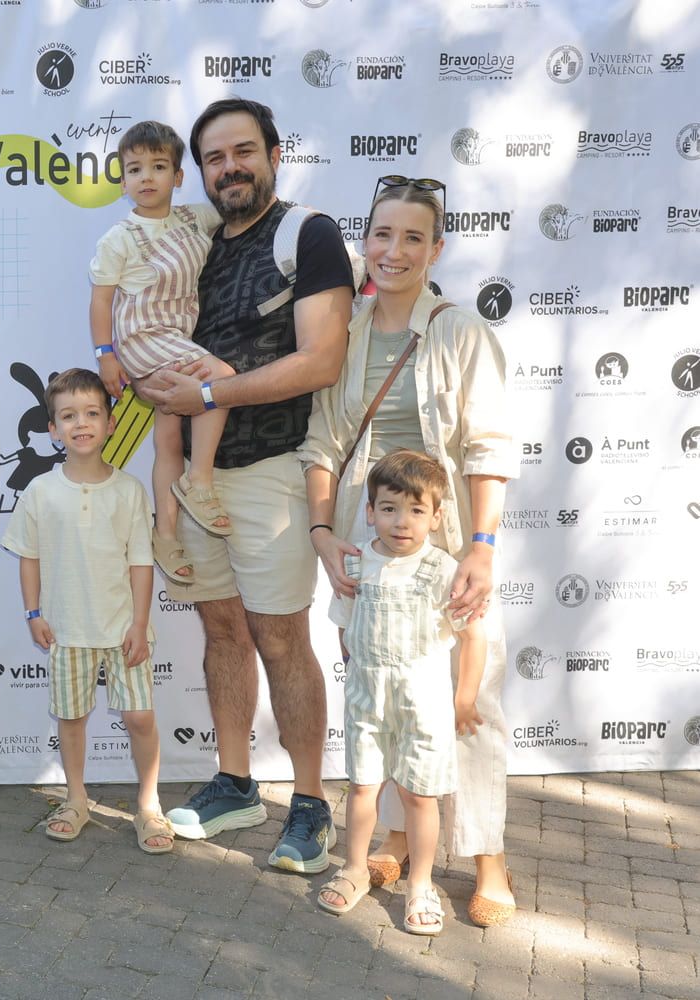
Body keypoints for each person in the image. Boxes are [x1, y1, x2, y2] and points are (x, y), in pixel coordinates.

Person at [143, 99, 355, 874]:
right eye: (213, 158)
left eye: (243, 151)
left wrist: (204, 398)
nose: (229, 167)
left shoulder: (310, 233)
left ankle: (309, 805)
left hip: (274, 472)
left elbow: (320, 360)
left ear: (273, 152)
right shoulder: (192, 243)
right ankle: (234, 784)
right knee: (222, 633)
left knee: (281, 638)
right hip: (200, 483)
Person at [299, 175, 518, 926]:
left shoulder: (460, 330)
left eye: (413, 237)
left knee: (468, 699)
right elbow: (323, 442)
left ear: (436, 248)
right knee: (382, 689)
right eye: (382, 234)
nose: (394, 251)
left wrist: (481, 547)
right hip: (366, 538)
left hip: (449, 536)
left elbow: (490, 447)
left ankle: (488, 857)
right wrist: (325, 533)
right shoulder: (346, 331)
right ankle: (396, 834)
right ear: (367, 241)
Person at [1, 368, 173, 854]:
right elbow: (28, 556)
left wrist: (140, 624)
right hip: (66, 631)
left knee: (140, 717)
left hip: (123, 631)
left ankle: (148, 804)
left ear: (111, 423)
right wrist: (33, 612)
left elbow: (141, 562)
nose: (81, 423)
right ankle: (76, 798)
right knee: (71, 718)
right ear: (53, 429)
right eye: (68, 416)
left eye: (92, 413)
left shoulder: (130, 491)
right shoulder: (39, 492)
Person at [314, 451, 485, 936]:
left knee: (417, 794)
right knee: (363, 786)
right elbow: (345, 628)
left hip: (424, 702)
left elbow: (473, 636)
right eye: (388, 508)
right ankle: (352, 868)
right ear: (370, 512)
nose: (401, 521)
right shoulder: (356, 562)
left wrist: (464, 699)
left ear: (436, 517)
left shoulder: (443, 570)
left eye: (415, 510)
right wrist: (355, 675)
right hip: (367, 699)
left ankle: (421, 884)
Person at [88, 120, 238, 582]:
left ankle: (166, 535)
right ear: (122, 180)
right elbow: (101, 301)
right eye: (134, 169)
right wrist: (105, 355)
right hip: (142, 337)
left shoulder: (196, 218)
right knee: (222, 377)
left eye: (158, 167)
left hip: (177, 337)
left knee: (169, 439)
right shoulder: (118, 238)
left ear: (177, 176)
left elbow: (250, 213)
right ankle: (201, 483)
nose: (146, 178)